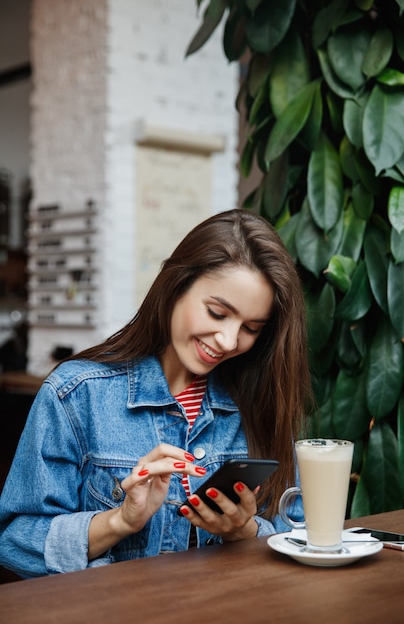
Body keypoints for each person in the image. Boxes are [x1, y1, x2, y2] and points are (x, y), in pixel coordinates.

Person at [0, 208, 311, 578]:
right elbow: (14, 540)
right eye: (216, 313)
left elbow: (302, 538)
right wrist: (120, 521)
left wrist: (243, 532)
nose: (228, 341)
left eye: (251, 327)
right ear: (175, 286)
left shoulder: (260, 403)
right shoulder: (77, 395)